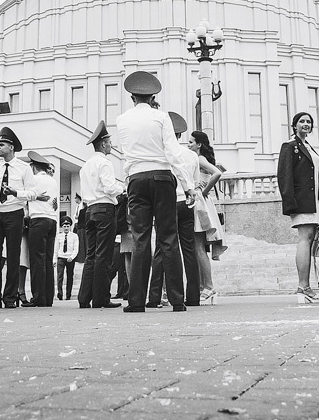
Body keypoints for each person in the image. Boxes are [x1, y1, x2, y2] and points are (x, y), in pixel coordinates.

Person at [114, 71, 194, 313]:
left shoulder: (121, 120)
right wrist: (188, 185)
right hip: (162, 178)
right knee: (168, 238)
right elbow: (173, 152)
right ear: (152, 97)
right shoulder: (161, 117)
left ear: (132, 97)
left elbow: (125, 156)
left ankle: (136, 301)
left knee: (140, 238)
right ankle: (178, 301)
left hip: (136, 180)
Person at [0, 126, 42, 308]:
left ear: (12, 147)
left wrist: (16, 193)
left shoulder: (24, 168)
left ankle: (10, 298)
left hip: (14, 213)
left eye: (2, 144)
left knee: (13, 257)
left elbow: (34, 192)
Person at [277, 111, 319, 304]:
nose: (305, 124)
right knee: (304, 239)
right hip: (301, 201)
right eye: (302, 121)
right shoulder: (290, 146)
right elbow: (284, 175)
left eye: (308, 122)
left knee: (308, 239)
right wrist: (290, 202)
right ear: (294, 125)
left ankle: (305, 286)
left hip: (313, 201)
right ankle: (303, 286)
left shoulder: (309, 147)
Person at [77, 121, 126, 309]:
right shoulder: (105, 163)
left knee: (91, 255)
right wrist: (122, 187)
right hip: (105, 210)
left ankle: (84, 298)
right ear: (103, 143)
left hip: (90, 210)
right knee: (103, 256)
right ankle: (101, 298)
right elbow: (110, 187)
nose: (111, 145)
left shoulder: (85, 166)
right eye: (110, 142)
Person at [189, 129, 224, 304]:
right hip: (202, 204)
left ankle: (208, 287)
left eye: (191, 142)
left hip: (200, 204)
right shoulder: (199, 159)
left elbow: (217, 173)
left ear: (199, 144)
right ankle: (205, 286)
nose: (188, 145)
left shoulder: (200, 159)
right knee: (198, 247)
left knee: (198, 247)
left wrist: (203, 191)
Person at [22, 151, 58, 307]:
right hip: (52, 221)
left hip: (38, 220)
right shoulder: (53, 181)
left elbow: (25, 195)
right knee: (48, 260)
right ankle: (48, 297)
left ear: (33, 167)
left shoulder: (33, 180)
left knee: (37, 260)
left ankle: (38, 297)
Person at [55, 217, 79, 300]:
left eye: (67, 226)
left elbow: (76, 249)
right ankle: (60, 293)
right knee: (60, 276)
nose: (66, 228)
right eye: (64, 226)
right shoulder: (59, 236)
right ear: (62, 227)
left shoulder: (74, 236)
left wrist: (72, 257)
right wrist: (54, 259)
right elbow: (56, 249)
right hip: (61, 258)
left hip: (70, 258)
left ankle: (68, 294)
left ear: (70, 227)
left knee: (70, 277)